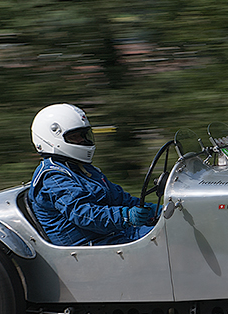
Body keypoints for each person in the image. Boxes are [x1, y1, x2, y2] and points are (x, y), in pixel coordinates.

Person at [29, 103, 157, 246]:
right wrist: (125, 216)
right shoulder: (53, 177)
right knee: (165, 244)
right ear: (52, 140)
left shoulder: (83, 169)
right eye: (74, 137)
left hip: (115, 234)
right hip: (91, 246)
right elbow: (83, 214)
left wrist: (153, 210)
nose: (82, 140)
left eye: (83, 135)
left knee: (172, 231)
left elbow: (118, 197)